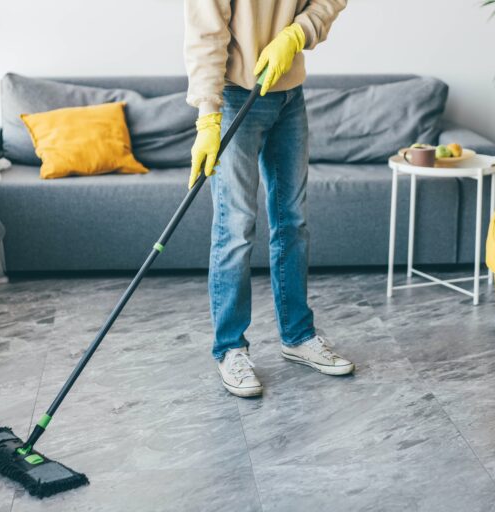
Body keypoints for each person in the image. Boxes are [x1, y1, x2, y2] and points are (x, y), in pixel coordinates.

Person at [184, 0, 352, 398]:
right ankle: (230, 349)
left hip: (289, 95)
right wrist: (207, 118)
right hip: (234, 97)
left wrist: (297, 34)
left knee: (292, 221)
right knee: (236, 227)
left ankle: (297, 336)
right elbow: (206, 32)